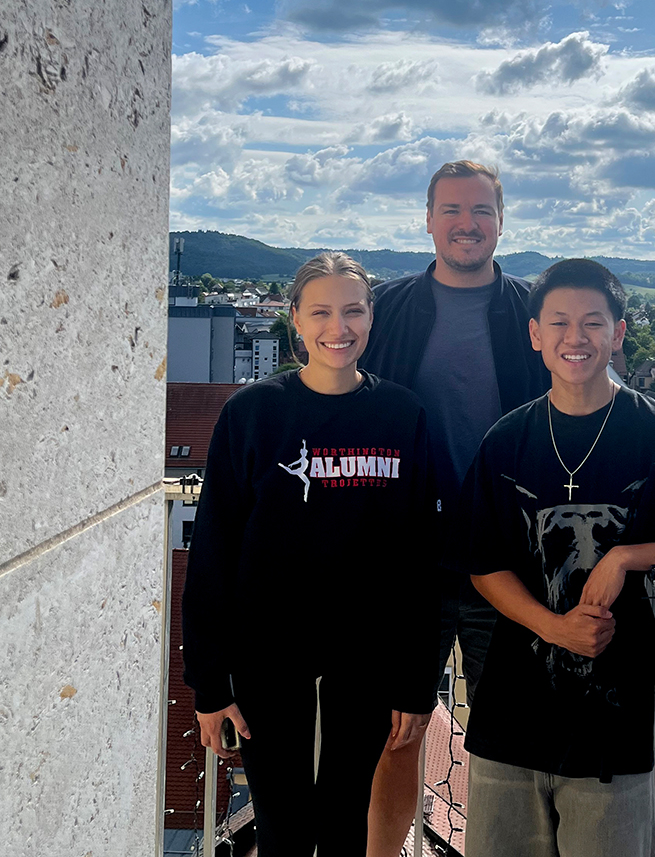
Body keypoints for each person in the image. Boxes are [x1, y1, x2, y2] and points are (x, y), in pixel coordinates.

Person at [460, 259, 655, 857]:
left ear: (619, 333)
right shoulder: (506, 440)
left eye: (593, 322)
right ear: (535, 335)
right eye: (559, 323)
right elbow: (483, 562)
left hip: (610, 740)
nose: (576, 338)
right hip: (508, 724)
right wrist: (554, 627)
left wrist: (628, 556)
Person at [181, 252, 440, 857]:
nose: (338, 327)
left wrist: (416, 684)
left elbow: (417, 560)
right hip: (268, 651)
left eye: (353, 310)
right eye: (320, 311)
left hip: (368, 655)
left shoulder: (402, 416)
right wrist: (209, 686)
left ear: (371, 318)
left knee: (349, 816)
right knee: (282, 823)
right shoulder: (252, 416)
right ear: (295, 319)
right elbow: (213, 552)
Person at [360, 160, 549, 853]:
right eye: (453, 210)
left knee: (506, 745)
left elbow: (592, 407)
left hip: (504, 557)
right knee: (395, 733)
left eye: (482, 211)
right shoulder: (390, 309)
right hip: (407, 560)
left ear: (501, 221)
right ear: (429, 219)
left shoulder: (533, 311)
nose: (467, 224)